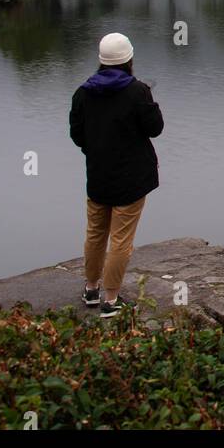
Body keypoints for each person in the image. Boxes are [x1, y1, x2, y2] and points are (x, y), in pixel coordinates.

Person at [69, 33, 164, 318]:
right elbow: (155, 128)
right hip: (131, 180)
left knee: (95, 233)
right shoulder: (137, 92)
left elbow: (77, 135)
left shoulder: (83, 92)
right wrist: (151, 101)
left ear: (101, 60)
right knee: (121, 239)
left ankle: (91, 289)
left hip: (98, 176)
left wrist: (95, 150)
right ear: (129, 60)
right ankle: (110, 300)